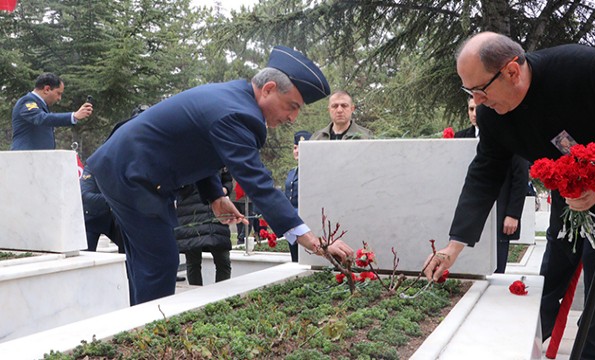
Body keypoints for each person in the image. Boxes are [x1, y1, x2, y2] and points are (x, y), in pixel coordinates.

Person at [424, 32, 595, 359]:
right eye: (469, 91)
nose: (476, 102)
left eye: (479, 89)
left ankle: (593, 353)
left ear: (511, 72)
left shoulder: (584, 68)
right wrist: (455, 244)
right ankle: (530, 341)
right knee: (552, 274)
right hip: (568, 195)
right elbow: (486, 170)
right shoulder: (493, 114)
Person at [86, 46, 354, 305]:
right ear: (268, 89)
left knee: (148, 260)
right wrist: (310, 240)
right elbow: (258, 184)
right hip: (132, 174)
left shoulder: (234, 98)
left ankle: (135, 327)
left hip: (128, 168)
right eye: (291, 106)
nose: (293, 118)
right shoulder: (239, 114)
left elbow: (197, 147)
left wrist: (215, 196)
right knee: (160, 260)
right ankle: (147, 336)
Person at [454, 96, 529, 273]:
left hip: (501, 212)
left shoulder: (507, 135)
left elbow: (520, 178)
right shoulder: (459, 138)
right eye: (471, 109)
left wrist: (513, 214)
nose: (474, 114)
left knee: (497, 267)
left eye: (477, 109)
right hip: (472, 211)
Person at [81, 104, 151, 253]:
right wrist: (118, 199)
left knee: (130, 254)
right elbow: (86, 196)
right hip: (93, 216)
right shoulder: (97, 161)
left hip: (118, 218)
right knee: (85, 256)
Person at [175, 167, 234, 286]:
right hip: (190, 212)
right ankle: (197, 297)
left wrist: (223, 190)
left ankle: (222, 296)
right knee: (193, 261)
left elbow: (227, 180)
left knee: (223, 260)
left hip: (215, 211)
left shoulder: (216, 155)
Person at [11, 73, 93, 150]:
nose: (59, 98)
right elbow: (41, 118)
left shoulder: (41, 105)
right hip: (25, 158)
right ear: (47, 89)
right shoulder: (27, 101)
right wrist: (73, 116)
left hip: (39, 158)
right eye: (58, 93)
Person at [284, 130, 312, 262]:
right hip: (291, 224)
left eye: (301, 147)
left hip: (306, 224)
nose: (297, 151)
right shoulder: (292, 172)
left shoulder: (312, 173)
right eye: (295, 147)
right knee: (294, 260)